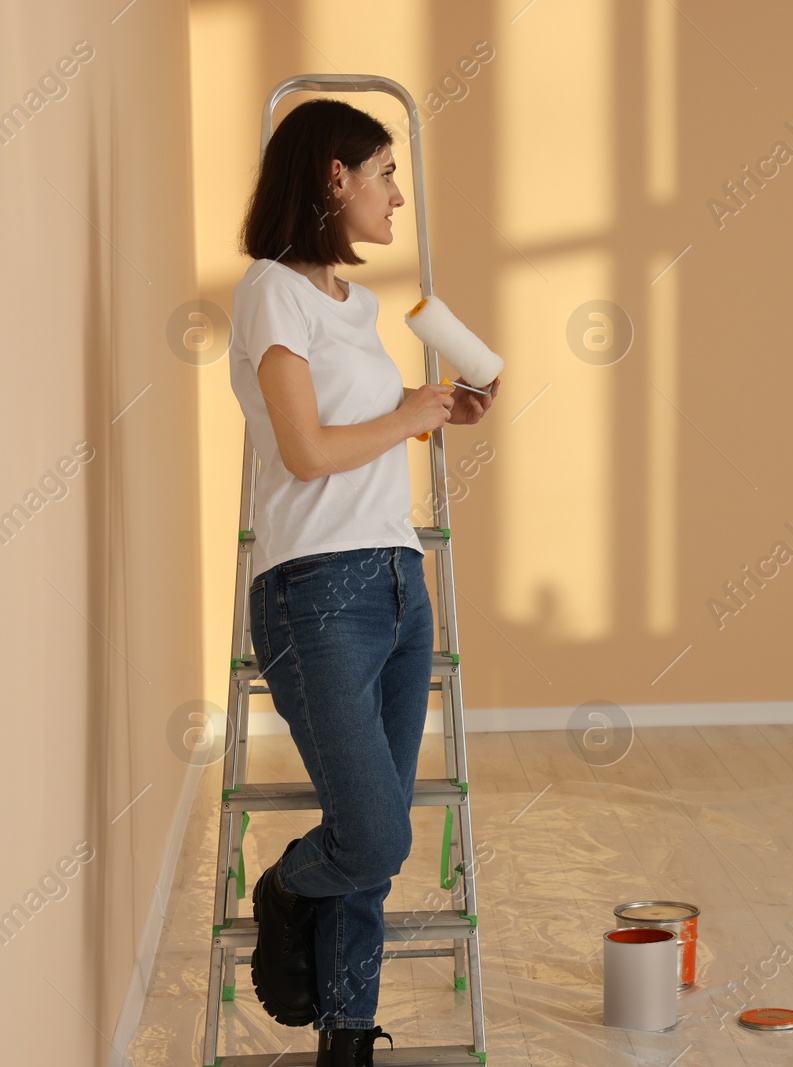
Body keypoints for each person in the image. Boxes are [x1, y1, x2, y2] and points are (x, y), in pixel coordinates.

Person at [227, 97, 499, 1067]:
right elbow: (304, 451)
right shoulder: (270, 291)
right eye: (384, 173)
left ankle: (347, 1039)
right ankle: (288, 885)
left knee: (373, 842)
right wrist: (408, 408)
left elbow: (361, 430)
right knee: (374, 834)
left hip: (396, 581)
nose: (395, 196)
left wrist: (436, 413)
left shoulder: (361, 305)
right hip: (315, 593)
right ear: (333, 176)